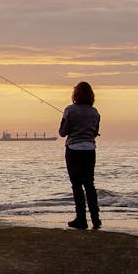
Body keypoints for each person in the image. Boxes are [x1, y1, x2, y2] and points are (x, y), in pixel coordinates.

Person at [58, 82, 101, 229]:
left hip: (74, 149)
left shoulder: (69, 110)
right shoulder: (95, 112)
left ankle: (81, 219)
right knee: (89, 184)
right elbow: (95, 132)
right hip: (90, 150)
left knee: (77, 185)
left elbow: (63, 132)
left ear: (75, 94)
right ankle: (96, 219)